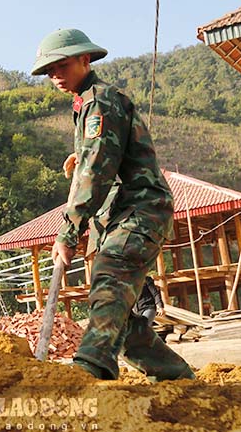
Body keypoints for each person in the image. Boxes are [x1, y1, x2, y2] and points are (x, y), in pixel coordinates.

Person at [32, 28, 194, 380]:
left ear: (84, 59)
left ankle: (91, 367)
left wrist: (68, 232)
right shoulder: (89, 103)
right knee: (115, 308)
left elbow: (95, 175)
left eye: (61, 66)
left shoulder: (99, 101)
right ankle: (174, 376)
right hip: (122, 213)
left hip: (140, 208)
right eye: (49, 71)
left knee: (109, 278)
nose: (55, 76)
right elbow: (103, 155)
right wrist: (84, 152)